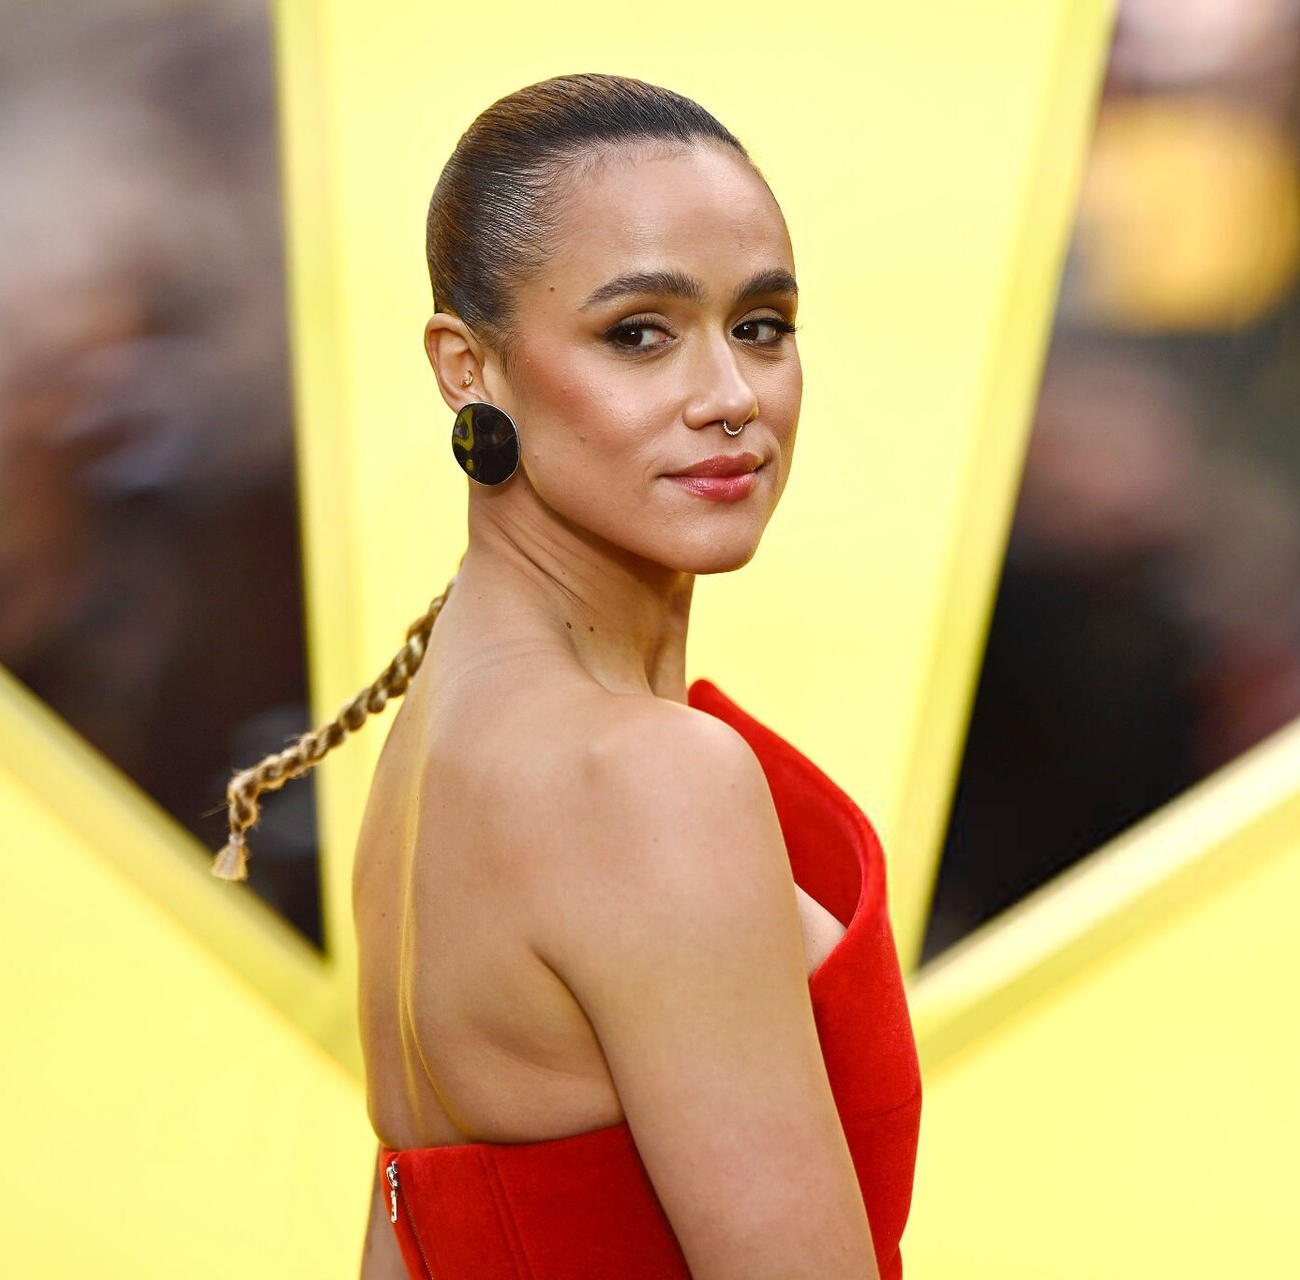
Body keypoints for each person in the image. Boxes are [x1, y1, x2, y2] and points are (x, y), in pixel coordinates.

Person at [208, 73, 922, 1279]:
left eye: (761, 325)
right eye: (638, 332)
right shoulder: (641, 778)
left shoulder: (437, 740)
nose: (730, 396)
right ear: (466, 366)